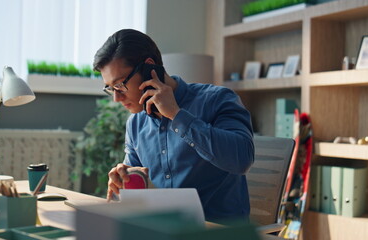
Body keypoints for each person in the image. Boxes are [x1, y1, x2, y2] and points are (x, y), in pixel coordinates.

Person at [93, 29, 254, 222]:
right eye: (111, 89)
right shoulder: (136, 123)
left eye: (120, 85)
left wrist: (176, 115)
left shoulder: (218, 99)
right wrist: (124, 180)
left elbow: (242, 158)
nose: (117, 98)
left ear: (148, 68)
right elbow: (137, 182)